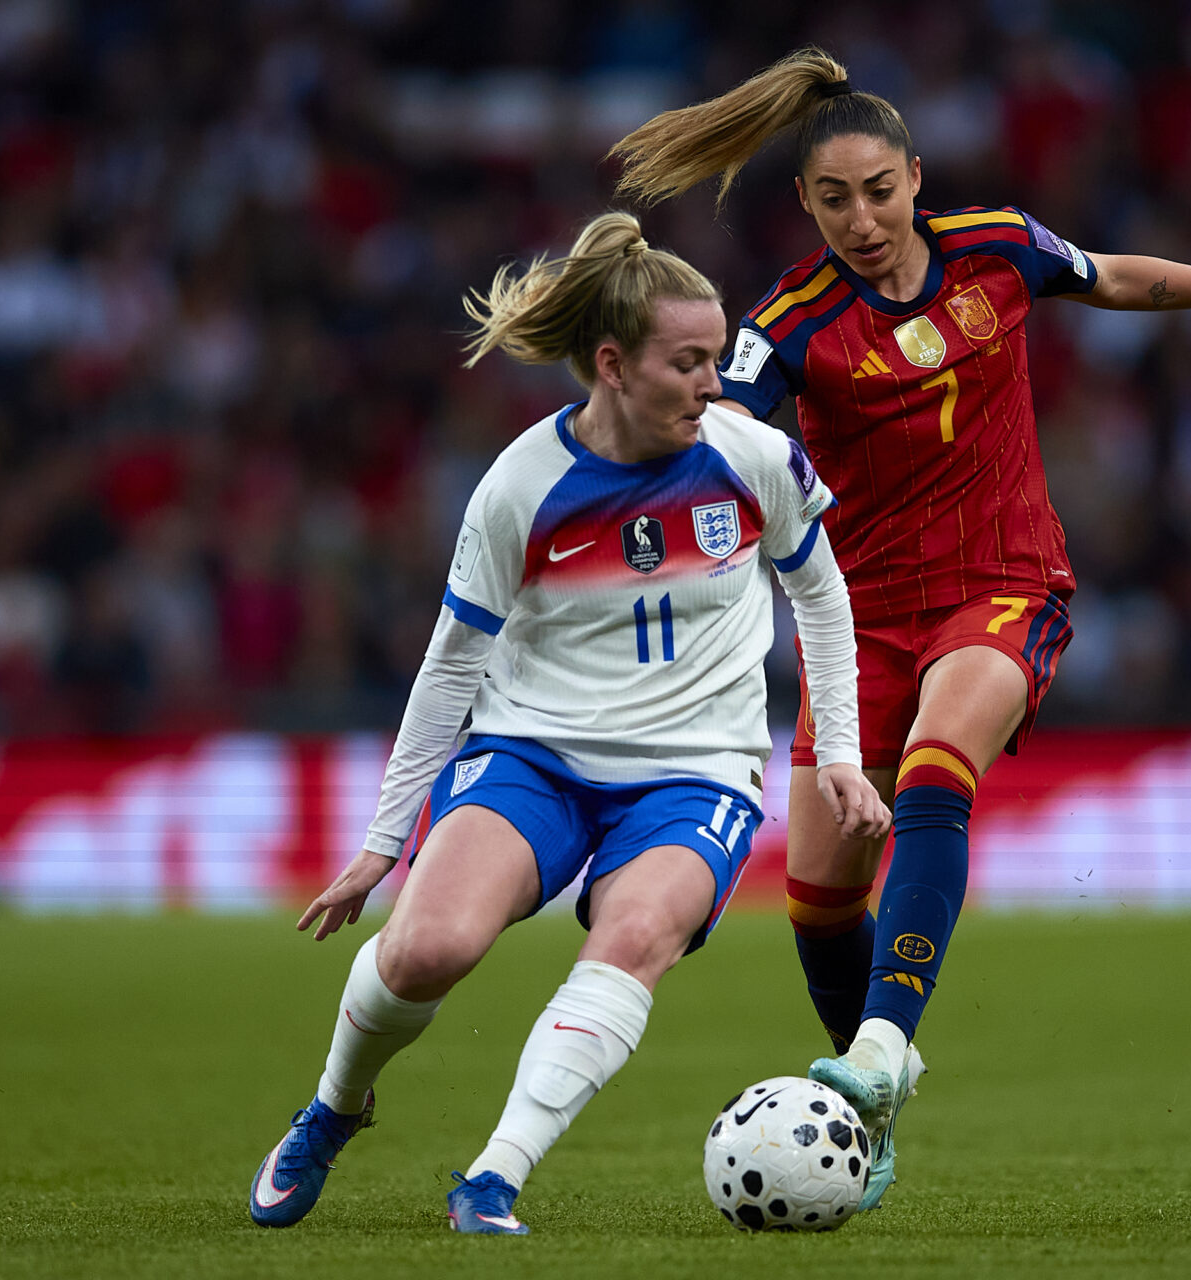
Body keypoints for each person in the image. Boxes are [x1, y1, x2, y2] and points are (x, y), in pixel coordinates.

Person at [610, 47, 1191, 1209]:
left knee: (938, 774)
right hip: (865, 625)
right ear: (805, 204)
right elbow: (710, 428)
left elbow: (1114, 279)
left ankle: (882, 1048)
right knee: (815, 900)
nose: (862, 218)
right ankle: (874, 1094)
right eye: (833, 198)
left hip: (1006, 582)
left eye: (880, 190)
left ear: (917, 176)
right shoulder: (790, 325)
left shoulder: (998, 245)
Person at [245, 211, 888, 1235]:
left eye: (717, 359)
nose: (713, 383)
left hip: (698, 773)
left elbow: (824, 596)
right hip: (532, 754)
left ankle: (491, 1179)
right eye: (688, 363)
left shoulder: (753, 457)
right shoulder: (519, 488)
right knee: (427, 949)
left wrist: (841, 755)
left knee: (635, 936)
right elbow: (450, 663)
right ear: (611, 364)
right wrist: (380, 843)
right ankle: (333, 1106)